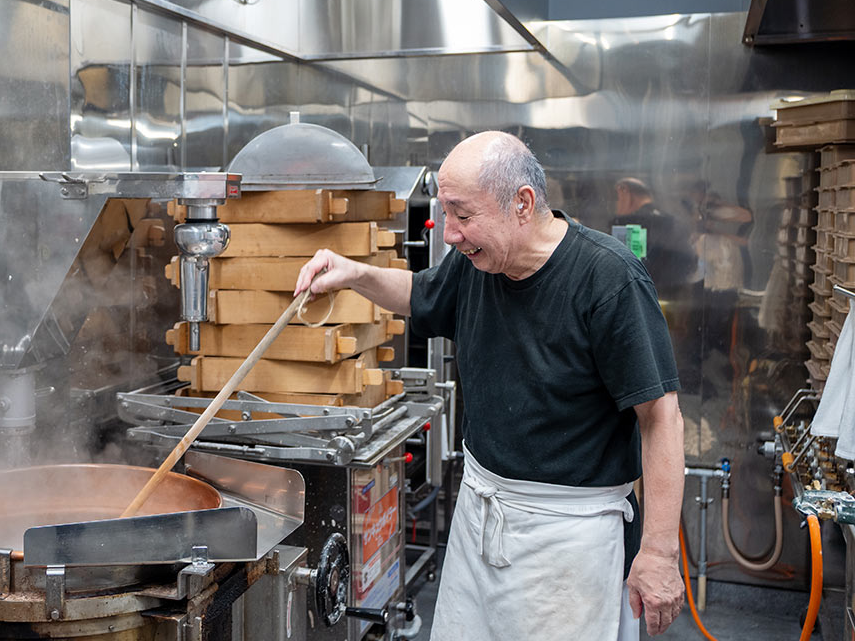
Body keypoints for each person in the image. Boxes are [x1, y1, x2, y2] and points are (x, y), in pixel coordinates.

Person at [294, 132, 685, 640]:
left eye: (462, 214)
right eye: (446, 213)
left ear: (522, 204)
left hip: (569, 537)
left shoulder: (609, 281)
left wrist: (658, 552)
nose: (450, 232)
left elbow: (661, 417)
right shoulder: (479, 261)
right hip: (481, 512)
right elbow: (420, 294)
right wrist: (351, 273)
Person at [613, 177, 698, 300]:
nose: (616, 204)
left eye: (617, 198)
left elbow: (626, 269)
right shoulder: (668, 219)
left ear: (625, 192)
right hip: (672, 293)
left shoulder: (631, 223)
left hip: (645, 296)